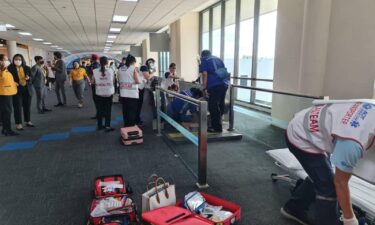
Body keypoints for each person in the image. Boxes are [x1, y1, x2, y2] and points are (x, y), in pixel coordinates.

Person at [281, 100, 375, 225]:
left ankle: (293, 208)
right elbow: (340, 183)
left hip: (316, 124)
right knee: (329, 187)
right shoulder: (353, 143)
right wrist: (350, 220)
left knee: (321, 174)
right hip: (301, 136)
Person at [199, 50, 229, 133]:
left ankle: (216, 127)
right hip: (224, 84)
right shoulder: (218, 59)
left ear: (202, 56)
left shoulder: (205, 60)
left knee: (213, 106)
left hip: (214, 86)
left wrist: (204, 87)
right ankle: (219, 123)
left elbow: (205, 74)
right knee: (220, 104)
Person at [7, 54, 34, 130]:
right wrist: (13, 82)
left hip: (27, 89)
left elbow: (32, 78)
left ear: (22, 60)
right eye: (16, 59)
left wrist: (28, 78)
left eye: (19, 59)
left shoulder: (27, 68)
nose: (17, 61)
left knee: (27, 106)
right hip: (16, 90)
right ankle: (18, 123)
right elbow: (8, 79)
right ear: (13, 60)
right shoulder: (10, 68)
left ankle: (28, 121)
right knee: (17, 107)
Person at [92, 56, 115, 132]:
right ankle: (107, 126)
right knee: (108, 110)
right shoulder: (111, 71)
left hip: (99, 93)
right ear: (107, 62)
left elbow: (93, 82)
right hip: (108, 93)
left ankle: (99, 125)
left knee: (99, 110)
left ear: (99, 62)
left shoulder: (95, 71)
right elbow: (114, 81)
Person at [118, 54, 141, 127]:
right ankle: (131, 127)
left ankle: (126, 126)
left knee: (125, 111)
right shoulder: (133, 69)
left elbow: (118, 80)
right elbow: (138, 81)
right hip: (132, 95)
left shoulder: (120, 69)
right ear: (133, 62)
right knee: (132, 112)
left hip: (123, 94)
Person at [0, 54, 19, 136]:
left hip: (7, 92)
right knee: (7, 112)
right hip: (4, 93)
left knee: (5, 112)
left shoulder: (5, 69)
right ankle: (8, 130)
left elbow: (6, 80)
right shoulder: (2, 70)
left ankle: (5, 129)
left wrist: (14, 83)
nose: (7, 61)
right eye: (5, 59)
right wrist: (3, 68)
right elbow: (2, 78)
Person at [137, 58, 156, 125]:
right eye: (152, 64)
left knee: (139, 104)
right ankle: (136, 120)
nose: (153, 65)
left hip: (141, 88)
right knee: (138, 104)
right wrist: (153, 73)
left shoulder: (145, 67)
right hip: (139, 88)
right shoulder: (144, 67)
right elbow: (147, 77)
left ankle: (137, 119)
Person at [87, 54, 100, 119]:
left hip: (95, 84)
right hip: (95, 84)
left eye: (91, 58)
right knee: (97, 99)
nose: (90, 58)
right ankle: (99, 113)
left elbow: (90, 72)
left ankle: (99, 114)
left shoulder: (95, 65)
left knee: (96, 99)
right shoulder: (94, 65)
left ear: (93, 58)